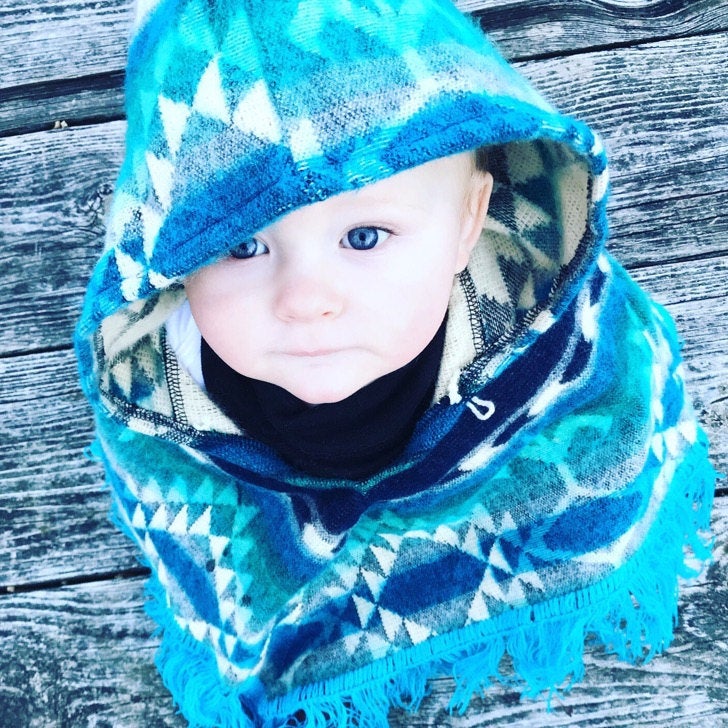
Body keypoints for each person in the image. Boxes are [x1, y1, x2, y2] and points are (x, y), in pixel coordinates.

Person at [75, 1, 715, 726]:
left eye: (365, 237)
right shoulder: (162, 396)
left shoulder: (546, 336)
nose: (305, 301)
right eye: (242, 246)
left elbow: (612, 422)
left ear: (468, 221)